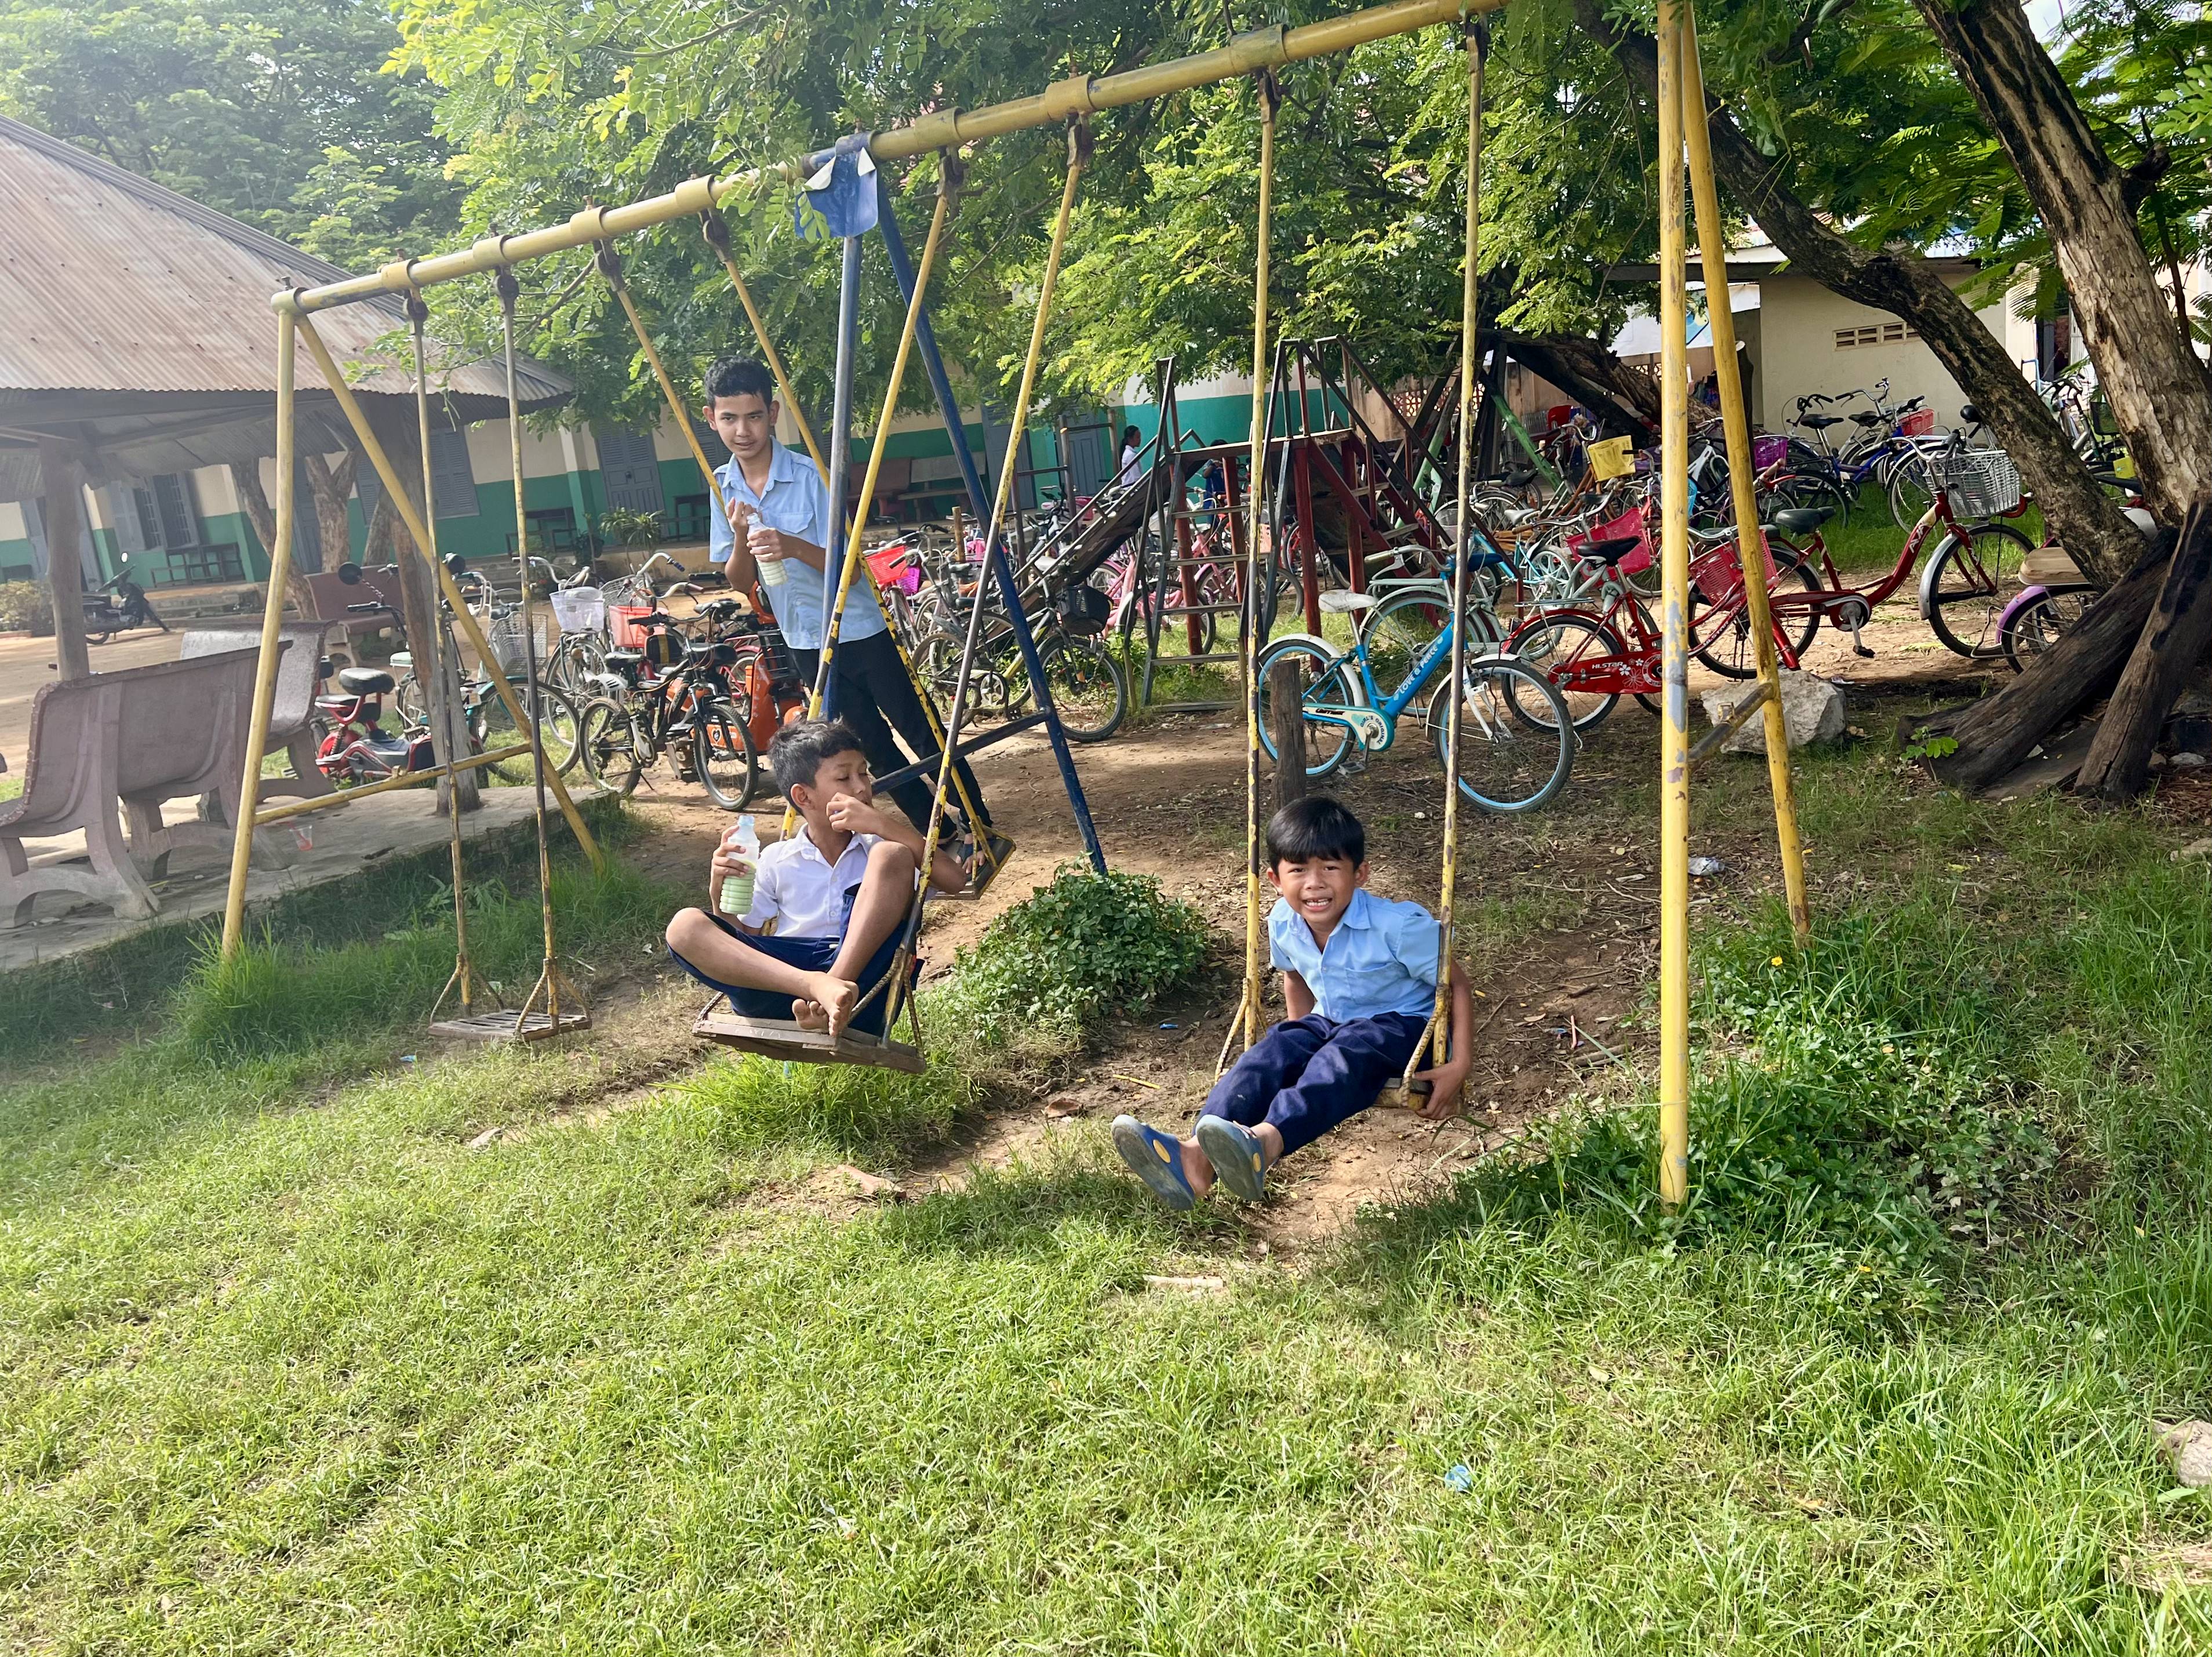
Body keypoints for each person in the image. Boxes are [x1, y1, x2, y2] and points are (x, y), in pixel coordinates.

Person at [701, 357, 1003, 867]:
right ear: (712, 419)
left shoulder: (812, 475)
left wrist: (792, 545)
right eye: (729, 419)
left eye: (752, 416)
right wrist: (740, 535)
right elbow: (739, 581)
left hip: (859, 628)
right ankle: (945, 832)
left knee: (920, 728)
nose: (742, 430)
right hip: (803, 639)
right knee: (870, 749)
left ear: (773, 412)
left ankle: (981, 824)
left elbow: (853, 570)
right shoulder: (722, 485)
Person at [1111, 796, 1473, 1209]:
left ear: (1361, 873)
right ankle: (1195, 1157)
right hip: (1332, 1021)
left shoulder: (1399, 927)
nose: (1315, 883)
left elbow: (1456, 986)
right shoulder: (1284, 921)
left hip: (1401, 1029)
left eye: (1330, 868)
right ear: (1275, 880)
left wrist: (1459, 1064)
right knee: (1271, 1052)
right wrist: (1298, 1043)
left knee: (1344, 1055)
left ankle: (1265, 1142)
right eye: (1298, 870)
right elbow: (1295, 976)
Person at [664, 720, 968, 1038]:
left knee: (892, 855)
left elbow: (955, 881)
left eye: (863, 772)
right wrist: (719, 895)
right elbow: (743, 940)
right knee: (684, 925)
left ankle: (832, 993)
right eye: (844, 777)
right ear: (804, 798)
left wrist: (882, 824)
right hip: (783, 985)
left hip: (861, 989)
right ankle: (819, 989)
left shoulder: (881, 850)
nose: (862, 787)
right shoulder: (776, 859)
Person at [1116, 424, 1143, 489]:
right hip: (1131, 490)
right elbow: (1137, 477)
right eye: (1137, 437)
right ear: (1130, 439)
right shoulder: (1130, 455)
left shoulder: (1130, 453)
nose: (1140, 440)